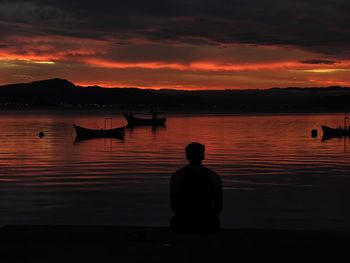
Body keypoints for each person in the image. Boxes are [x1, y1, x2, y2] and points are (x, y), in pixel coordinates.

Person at [170, 142, 223, 234]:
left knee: (174, 221)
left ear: (187, 156)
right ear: (203, 156)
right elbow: (218, 207)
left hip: (184, 223)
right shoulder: (214, 176)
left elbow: (174, 207)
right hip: (208, 223)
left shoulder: (177, 176)